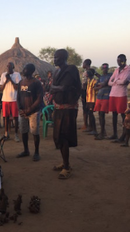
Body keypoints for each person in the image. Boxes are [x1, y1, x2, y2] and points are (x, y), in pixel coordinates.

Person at [50, 49, 81, 179]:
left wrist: (53, 88)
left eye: (57, 57)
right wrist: (55, 88)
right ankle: (64, 162)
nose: (54, 59)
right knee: (58, 136)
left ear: (63, 58)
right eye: (54, 57)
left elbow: (65, 87)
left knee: (64, 136)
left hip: (68, 109)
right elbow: (55, 87)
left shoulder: (71, 69)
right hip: (59, 109)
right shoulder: (57, 71)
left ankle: (67, 167)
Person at [16, 64, 43, 161]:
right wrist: (20, 109)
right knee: (23, 131)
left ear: (31, 71)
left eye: (25, 69)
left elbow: (39, 99)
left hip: (33, 112)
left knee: (35, 132)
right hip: (23, 112)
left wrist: (29, 110)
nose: (23, 70)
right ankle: (26, 150)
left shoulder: (36, 83)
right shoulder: (20, 82)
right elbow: (18, 97)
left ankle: (36, 152)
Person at [107, 54, 130, 142]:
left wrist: (115, 81)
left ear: (125, 60)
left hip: (121, 95)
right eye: (118, 61)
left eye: (120, 61)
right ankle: (115, 134)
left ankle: (123, 136)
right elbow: (109, 82)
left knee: (123, 116)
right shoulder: (116, 69)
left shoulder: (128, 69)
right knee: (114, 114)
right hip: (113, 94)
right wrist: (117, 81)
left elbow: (124, 81)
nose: (119, 62)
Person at [0, 62, 21, 142]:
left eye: (10, 67)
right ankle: (6, 133)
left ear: (13, 67)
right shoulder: (3, 75)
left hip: (14, 99)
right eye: (7, 67)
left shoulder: (17, 74)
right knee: (6, 117)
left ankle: (16, 134)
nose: (8, 68)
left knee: (15, 117)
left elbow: (17, 87)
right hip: (5, 99)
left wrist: (10, 79)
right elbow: (1, 89)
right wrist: (6, 80)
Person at [93, 63, 112, 140]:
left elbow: (107, 84)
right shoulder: (100, 77)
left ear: (107, 68)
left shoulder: (110, 76)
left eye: (106, 68)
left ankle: (102, 133)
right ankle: (102, 131)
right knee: (99, 115)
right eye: (103, 68)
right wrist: (102, 85)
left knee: (102, 114)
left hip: (106, 97)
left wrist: (101, 85)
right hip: (99, 97)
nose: (104, 69)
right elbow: (95, 87)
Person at [79, 59, 92, 131]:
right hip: (88, 92)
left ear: (86, 64)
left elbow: (84, 84)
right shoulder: (92, 71)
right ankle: (87, 125)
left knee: (86, 109)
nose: (82, 65)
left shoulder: (87, 72)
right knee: (88, 109)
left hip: (86, 92)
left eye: (83, 63)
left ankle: (86, 125)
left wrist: (82, 92)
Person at [85, 69, 98, 135]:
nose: (86, 74)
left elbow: (96, 90)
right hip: (88, 100)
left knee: (91, 114)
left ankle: (94, 130)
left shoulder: (94, 81)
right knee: (90, 114)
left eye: (87, 72)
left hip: (92, 100)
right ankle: (92, 128)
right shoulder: (88, 80)